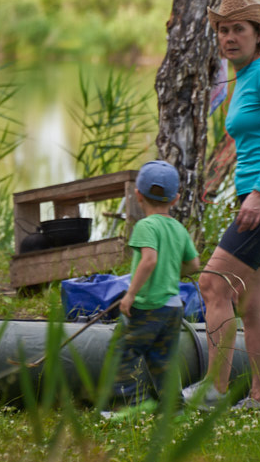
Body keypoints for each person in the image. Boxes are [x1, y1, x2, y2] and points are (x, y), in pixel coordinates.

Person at [183, 0, 260, 410]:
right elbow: (250, 142)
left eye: (238, 29)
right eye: (223, 30)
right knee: (252, 304)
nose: (229, 37)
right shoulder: (246, 77)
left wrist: (258, 194)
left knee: (213, 283)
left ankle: (213, 390)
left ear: (258, 35)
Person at [104, 160, 200, 417]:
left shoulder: (145, 226)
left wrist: (131, 294)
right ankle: (175, 409)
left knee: (122, 353)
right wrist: (171, 272)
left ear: (137, 195)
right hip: (173, 307)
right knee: (164, 361)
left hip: (148, 306)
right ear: (176, 198)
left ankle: (130, 406)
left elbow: (149, 260)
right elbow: (194, 264)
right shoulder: (179, 229)